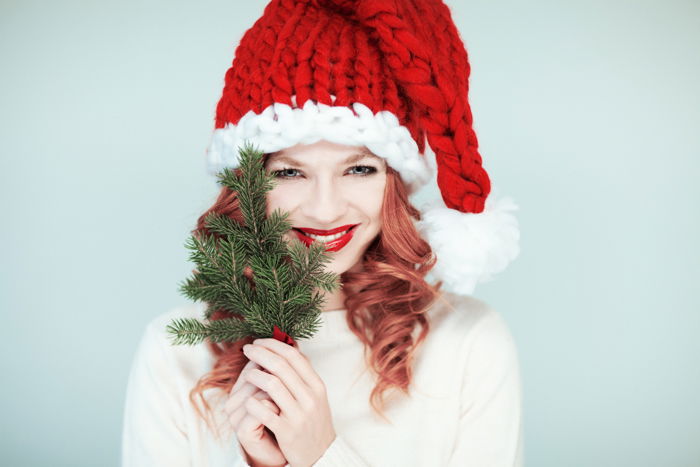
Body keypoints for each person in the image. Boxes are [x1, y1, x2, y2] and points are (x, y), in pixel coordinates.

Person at [121, 1, 523, 466]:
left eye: (358, 168)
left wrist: (319, 454)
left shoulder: (470, 343)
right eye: (291, 173)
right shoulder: (175, 352)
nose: (327, 209)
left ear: (394, 182)